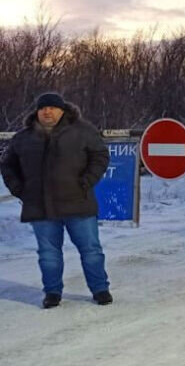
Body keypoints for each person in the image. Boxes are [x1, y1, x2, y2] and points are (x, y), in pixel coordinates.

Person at [0, 92, 113, 309]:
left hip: (78, 202)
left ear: (62, 110)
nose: (47, 111)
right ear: (37, 111)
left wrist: (86, 181)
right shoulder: (23, 137)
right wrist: (20, 190)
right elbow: (8, 166)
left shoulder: (83, 131)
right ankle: (52, 292)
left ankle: (100, 289)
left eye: (52, 108)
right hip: (40, 206)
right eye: (43, 108)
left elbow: (100, 156)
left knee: (91, 249)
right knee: (48, 253)